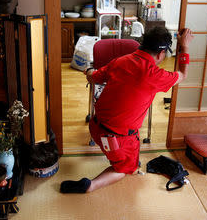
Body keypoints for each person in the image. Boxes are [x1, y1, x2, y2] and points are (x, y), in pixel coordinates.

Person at [60, 26, 194, 194]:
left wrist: (88, 71)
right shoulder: (155, 75)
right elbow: (182, 74)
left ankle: (126, 159)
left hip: (95, 127)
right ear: (161, 54)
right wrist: (185, 47)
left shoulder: (119, 61)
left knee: (133, 142)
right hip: (115, 137)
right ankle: (90, 185)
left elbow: (93, 77)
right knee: (124, 170)